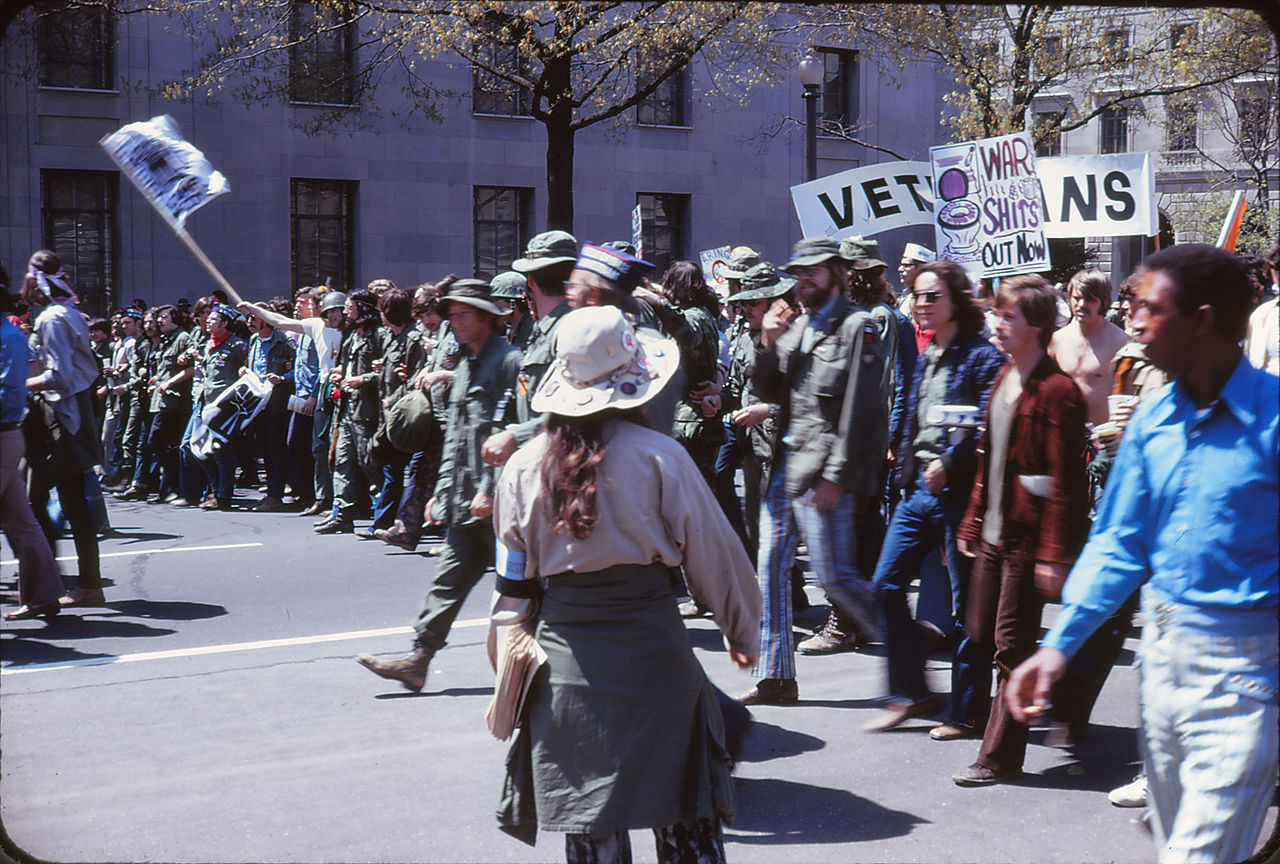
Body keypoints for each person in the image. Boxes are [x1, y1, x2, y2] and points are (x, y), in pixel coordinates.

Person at [1008, 243, 1278, 864]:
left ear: (1202, 319)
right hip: (1158, 670)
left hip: (1241, 677)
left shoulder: (1274, 419)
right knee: (1179, 846)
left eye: (1151, 310)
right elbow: (1119, 542)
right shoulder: (1154, 415)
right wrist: (1058, 646)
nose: (1136, 323)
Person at [491, 304, 761, 864]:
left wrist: (505, 667)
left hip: (566, 675)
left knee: (592, 833)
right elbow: (715, 557)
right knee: (686, 821)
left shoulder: (521, 467)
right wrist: (741, 632)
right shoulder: (662, 456)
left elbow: (511, 592)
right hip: (655, 661)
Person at [949, 275, 1089, 786]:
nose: (998, 324)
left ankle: (998, 757)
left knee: (1010, 645)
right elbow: (989, 462)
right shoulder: (1003, 378)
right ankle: (1065, 689)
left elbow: (1066, 482)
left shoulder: (1058, 391)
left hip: (1028, 541)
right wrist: (971, 520)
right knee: (979, 631)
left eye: (1009, 317)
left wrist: (1053, 554)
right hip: (991, 533)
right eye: (998, 314)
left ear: (1036, 327)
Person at [742, 236, 888, 704]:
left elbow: (862, 411)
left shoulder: (858, 327)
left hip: (823, 472)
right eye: (800, 272)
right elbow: (766, 384)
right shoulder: (797, 326)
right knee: (770, 569)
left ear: (838, 274)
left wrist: (834, 477)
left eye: (815, 271)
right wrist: (767, 339)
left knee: (835, 577)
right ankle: (776, 677)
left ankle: (905, 647)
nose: (804, 279)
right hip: (787, 468)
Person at [355, 280, 522, 691]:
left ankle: (555, 662)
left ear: (488, 317)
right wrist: (442, 492)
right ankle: (418, 659)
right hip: (468, 503)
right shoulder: (464, 366)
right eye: (453, 315)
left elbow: (521, 430)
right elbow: (458, 436)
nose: (457, 322)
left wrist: (492, 488)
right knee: (447, 578)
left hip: (506, 504)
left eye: (466, 314)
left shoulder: (510, 364)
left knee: (529, 592)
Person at [866, 259, 1004, 736]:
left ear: (955, 302)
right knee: (885, 585)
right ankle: (911, 691)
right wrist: (900, 461)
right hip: (918, 492)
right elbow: (912, 413)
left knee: (967, 608)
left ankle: (967, 712)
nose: (921, 304)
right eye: (918, 296)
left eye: (932, 297)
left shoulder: (981, 357)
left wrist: (953, 462)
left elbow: (989, 424)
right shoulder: (928, 355)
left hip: (963, 496)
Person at [21, 250, 105, 607]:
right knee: (72, 501)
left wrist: (19, 386)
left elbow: (59, 376)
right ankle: (87, 584)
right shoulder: (67, 313)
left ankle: (47, 588)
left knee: (29, 501)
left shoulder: (53, 318)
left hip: (61, 418)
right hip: (72, 414)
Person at [239, 288, 345, 515]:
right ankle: (320, 499)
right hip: (316, 396)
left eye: (337, 310)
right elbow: (279, 321)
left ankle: (341, 501)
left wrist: (314, 394)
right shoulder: (313, 326)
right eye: (328, 310)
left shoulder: (347, 331)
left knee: (333, 450)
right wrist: (253, 308)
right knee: (315, 448)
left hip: (334, 393)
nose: (331, 315)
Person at [0, 264, 64, 620]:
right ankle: (43, 595)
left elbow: (9, 394)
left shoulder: (7, 338)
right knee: (22, 523)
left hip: (3, 434)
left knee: (23, 522)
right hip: (8, 438)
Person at [1048, 269, 1131, 425]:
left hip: (1103, 439)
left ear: (1105, 301)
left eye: (1090, 300)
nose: (1081, 305)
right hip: (1065, 434)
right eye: (1077, 298)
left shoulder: (1121, 342)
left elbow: (1130, 394)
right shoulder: (1057, 340)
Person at [195, 303, 250, 510]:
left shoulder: (237, 345)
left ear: (225, 323)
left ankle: (223, 495)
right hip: (206, 403)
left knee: (221, 451)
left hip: (225, 407)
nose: (208, 322)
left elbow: (247, 367)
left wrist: (244, 369)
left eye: (213, 319)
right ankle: (215, 490)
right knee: (199, 449)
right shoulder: (210, 343)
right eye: (207, 319)